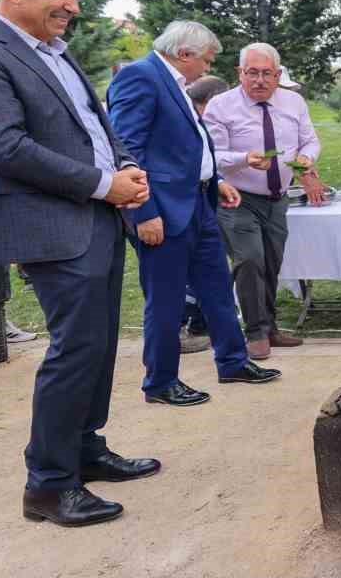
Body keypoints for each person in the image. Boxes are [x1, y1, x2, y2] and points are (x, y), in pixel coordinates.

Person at [0, 0, 157, 527]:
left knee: (99, 344)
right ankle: (49, 485)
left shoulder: (57, 53)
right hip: (51, 225)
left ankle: (84, 449)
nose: (73, 7)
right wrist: (103, 185)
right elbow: (5, 148)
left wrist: (126, 167)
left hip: (97, 219)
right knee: (75, 348)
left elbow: (95, 127)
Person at [107, 21, 282, 407]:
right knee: (166, 299)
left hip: (199, 203)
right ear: (184, 53)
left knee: (217, 288)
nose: (207, 68)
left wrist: (214, 180)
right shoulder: (141, 77)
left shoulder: (176, 83)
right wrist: (143, 211)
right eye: (206, 59)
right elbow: (126, 150)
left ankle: (233, 361)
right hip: (163, 210)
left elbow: (185, 146)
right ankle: (161, 381)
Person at [203, 43, 324, 360]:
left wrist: (305, 159)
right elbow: (211, 156)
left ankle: (270, 328)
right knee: (249, 259)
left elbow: (310, 141)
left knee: (271, 261)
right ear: (239, 73)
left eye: (267, 73)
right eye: (252, 73)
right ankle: (255, 333)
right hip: (236, 198)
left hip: (277, 198)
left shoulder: (294, 102)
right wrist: (244, 159)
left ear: (278, 75)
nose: (259, 80)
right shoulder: (220, 106)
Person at [179, 75, 231, 355]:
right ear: (212, 101)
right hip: (180, 204)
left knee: (206, 270)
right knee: (181, 271)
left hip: (202, 198)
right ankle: (181, 329)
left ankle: (201, 326)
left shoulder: (198, 120)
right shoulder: (188, 120)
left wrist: (218, 181)